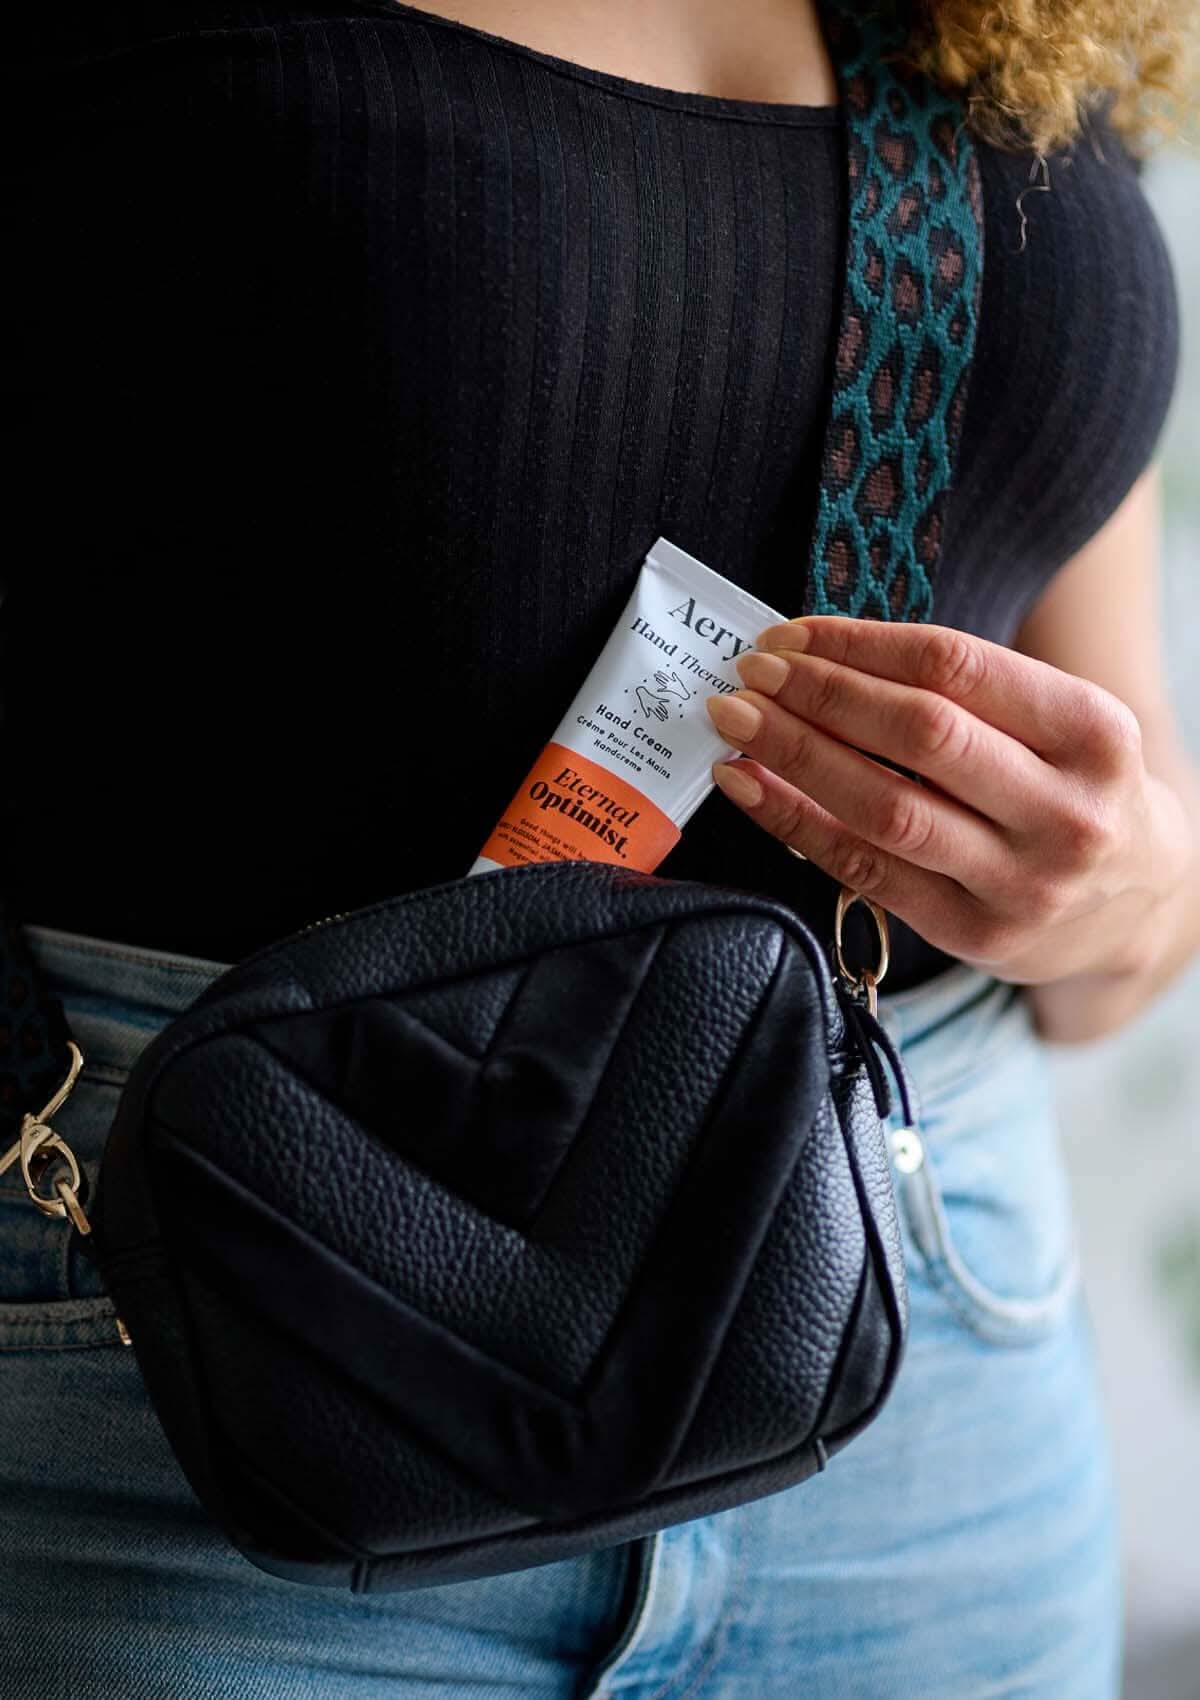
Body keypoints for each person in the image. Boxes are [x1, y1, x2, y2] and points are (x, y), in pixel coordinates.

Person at [1, 1, 1194, 1694]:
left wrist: (1129, 887)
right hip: (190, 1370)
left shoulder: (1004, 20)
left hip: (923, 1383)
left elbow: (1135, 827)